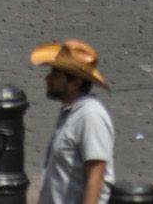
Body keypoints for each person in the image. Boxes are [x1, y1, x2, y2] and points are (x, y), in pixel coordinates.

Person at [32, 40, 114, 204]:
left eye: (56, 75)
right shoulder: (71, 113)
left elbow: (95, 178)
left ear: (75, 82)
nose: (47, 78)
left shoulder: (90, 116)